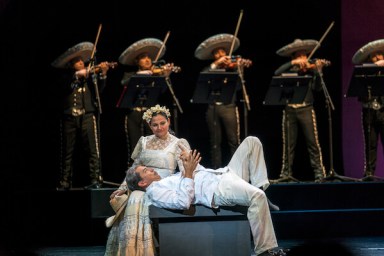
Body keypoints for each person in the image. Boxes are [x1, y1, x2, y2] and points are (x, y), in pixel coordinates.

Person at [126, 136, 286, 256]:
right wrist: (188, 172)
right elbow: (183, 202)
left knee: (252, 141)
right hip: (218, 188)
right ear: (141, 183)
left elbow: (198, 174)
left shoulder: (167, 179)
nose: (151, 169)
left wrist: (190, 162)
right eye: (145, 171)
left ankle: (261, 189)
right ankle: (265, 250)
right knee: (256, 197)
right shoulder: (155, 191)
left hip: (223, 173)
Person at [104, 105, 191, 256]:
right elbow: (135, 168)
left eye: (162, 123)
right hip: (142, 181)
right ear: (149, 125)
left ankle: (145, 247)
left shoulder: (178, 143)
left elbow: (185, 170)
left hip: (164, 184)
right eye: (155, 125)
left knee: (138, 197)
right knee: (134, 196)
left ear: (169, 121)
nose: (159, 128)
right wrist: (123, 186)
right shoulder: (143, 141)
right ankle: (133, 247)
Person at [51, 41, 111, 190]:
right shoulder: (65, 78)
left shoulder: (90, 78)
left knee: (93, 149)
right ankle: (65, 180)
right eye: (77, 61)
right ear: (71, 65)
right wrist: (76, 76)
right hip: (69, 117)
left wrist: (102, 74)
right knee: (67, 151)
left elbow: (99, 92)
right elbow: (63, 89)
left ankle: (95, 178)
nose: (81, 63)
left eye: (81, 61)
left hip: (87, 116)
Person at [271, 39, 327, 183]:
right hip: (290, 110)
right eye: (300, 56)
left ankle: (320, 173)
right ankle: (286, 174)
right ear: (294, 57)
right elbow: (276, 72)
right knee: (288, 145)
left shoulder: (310, 70)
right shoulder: (289, 69)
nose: (303, 58)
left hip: (306, 109)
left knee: (313, 143)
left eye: (304, 55)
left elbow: (318, 88)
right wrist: (293, 64)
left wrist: (318, 71)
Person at [194, 33, 252, 169]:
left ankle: (238, 171)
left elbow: (238, 87)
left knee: (233, 140)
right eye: (217, 53)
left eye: (222, 51)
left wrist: (239, 69)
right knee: (215, 142)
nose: (220, 54)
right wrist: (216, 64)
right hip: (213, 108)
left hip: (229, 107)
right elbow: (203, 77)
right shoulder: (210, 69)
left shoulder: (232, 69)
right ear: (213, 56)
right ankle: (216, 170)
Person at [116, 38, 177, 165]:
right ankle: (134, 175)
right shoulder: (130, 74)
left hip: (151, 114)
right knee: (135, 145)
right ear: (137, 61)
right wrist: (142, 73)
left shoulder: (155, 75)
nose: (148, 59)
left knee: (154, 143)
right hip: (134, 113)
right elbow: (124, 83)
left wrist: (166, 76)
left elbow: (163, 91)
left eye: (149, 57)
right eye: (143, 57)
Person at [352, 39, 384, 181]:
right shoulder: (364, 72)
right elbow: (358, 92)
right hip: (369, 111)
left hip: (383, 111)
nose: (377, 57)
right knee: (370, 145)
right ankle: (369, 174)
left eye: (379, 54)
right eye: (373, 55)